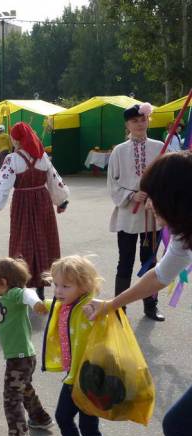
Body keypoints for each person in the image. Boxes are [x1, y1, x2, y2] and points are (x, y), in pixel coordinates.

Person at [85, 151, 192, 436]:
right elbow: (159, 276)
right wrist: (111, 304)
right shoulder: (183, 235)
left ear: (174, 198)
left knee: (179, 429)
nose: (147, 205)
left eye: (152, 198)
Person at [0, 257, 53, 436]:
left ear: (3, 282)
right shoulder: (3, 301)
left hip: (19, 359)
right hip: (22, 357)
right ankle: (40, 418)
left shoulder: (15, 294)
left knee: (11, 400)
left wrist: (36, 303)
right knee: (24, 389)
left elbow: (27, 293)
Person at [0, 122, 68, 299]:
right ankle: (40, 289)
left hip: (22, 203)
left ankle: (22, 287)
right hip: (42, 201)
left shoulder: (12, 159)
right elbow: (54, 179)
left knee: (21, 242)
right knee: (44, 240)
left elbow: (2, 185)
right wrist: (61, 200)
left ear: (17, 139)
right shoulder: (42, 157)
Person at [40, 255, 105, 436]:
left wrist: (100, 311)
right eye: (56, 285)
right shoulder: (66, 304)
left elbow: (107, 316)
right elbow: (54, 305)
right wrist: (36, 302)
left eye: (65, 286)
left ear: (84, 286)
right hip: (73, 375)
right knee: (65, 418)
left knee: (87, 426)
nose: (58, 291)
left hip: (89, 378)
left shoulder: (88, 308)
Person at [107, 103, 165, 321]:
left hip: (152, 215)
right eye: (134, 121)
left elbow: (168, 177)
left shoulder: (160, 147)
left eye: (143, 120)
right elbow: (112, 183)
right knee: (125, 261)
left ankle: (151, 306)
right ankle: (119, 309)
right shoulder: (119, 151)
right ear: (127, 125)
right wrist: (131, 195)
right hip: (128, 215)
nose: (140, 124)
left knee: (150, 262)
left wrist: (155, 194)